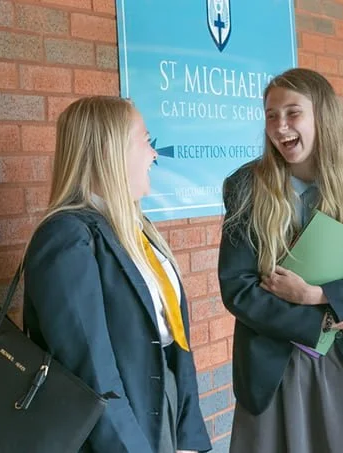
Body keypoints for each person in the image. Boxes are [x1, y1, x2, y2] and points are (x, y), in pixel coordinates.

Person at [218, 68, 343, 453]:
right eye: (271, 115)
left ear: (321, 115)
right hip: (277, 363)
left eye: (293, 113)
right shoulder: (245, 186)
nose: (280, 126)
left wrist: (318, 295)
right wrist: (314, 320)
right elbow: (238, 289)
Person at [23, 96, 212, 453]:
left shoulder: (136, 230)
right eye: (145, 140)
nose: (154, 154)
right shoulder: (66, 237)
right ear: (111, 150)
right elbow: (92, 372)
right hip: (117, 434)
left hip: (159, 414)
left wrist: (189, 436)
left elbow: (176, 343)